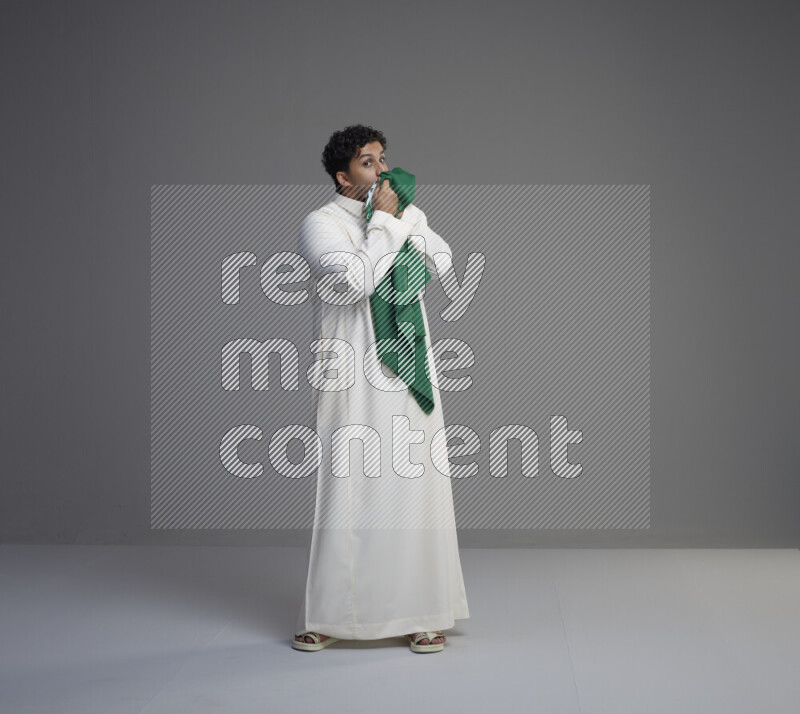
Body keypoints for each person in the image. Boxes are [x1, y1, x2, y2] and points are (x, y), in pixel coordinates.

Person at [292, 124, 469, 653]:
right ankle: (332, 615)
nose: (383, 170)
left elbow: (442, 262)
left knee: (415, 489)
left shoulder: (405, 213)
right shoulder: (320, 224)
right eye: (368, 162)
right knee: (348, 491)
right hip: (351, 370)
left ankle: (423, 613)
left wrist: (402, 220)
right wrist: (387, 225)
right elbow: (355, 281)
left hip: (408, 366)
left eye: (383, 159)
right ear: (343, 177)